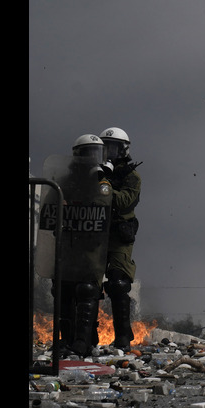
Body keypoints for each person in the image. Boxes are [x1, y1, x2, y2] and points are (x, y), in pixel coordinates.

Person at [52, 134, 112, 356]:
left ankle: (81, 342)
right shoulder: (66, 180)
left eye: (97, 153)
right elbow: (53, 204)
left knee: (87, 289)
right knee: (63, 289)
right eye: (88, 153)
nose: (93, 158)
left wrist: (97, 183)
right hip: (69, 243)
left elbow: (104, 205)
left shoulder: (103, 181)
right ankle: (66, 340)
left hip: (91, 247)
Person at [99, 127, 142, 350]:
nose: (109, 152)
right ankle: (83, 339)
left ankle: (123, 337)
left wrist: (103, 185)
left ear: (124, 149)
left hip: (118, 235)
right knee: (85, 284)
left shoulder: (131, 177)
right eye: (105, 147)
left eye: (114, 147)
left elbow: (124, 201)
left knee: (118, 282)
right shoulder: (94, 172)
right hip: (93, 233)